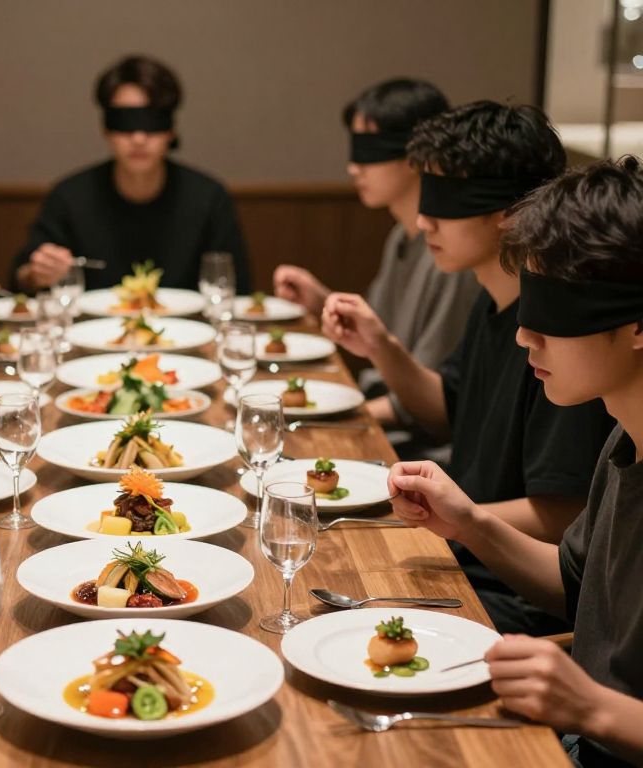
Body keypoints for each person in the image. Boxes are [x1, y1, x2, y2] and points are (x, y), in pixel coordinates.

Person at [321, 101, 614, 634]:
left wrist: (443, 519)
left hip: (505, 592)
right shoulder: (490, 300)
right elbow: (445, 411)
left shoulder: (567, 340)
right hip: (464, 559)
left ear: (512, 211)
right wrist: (382, 346)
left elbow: (561, 516)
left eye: (446, 200)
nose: (423, 218)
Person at [389, 157, 643, 767]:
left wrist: (592, 708)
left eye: (553, 311)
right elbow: (573, 585)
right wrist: (468, 523)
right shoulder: (623, 437)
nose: (525, 335)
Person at [273, 79, 479, 431]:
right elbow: (379, 335)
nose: (354, 167)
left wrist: (326, 419)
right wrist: (322, 300)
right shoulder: (401, 235)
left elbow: (434, 400)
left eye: (371, 150)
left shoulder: (451, 256)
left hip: (419, 444)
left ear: (419, 154)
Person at [11, 54, 249, 293]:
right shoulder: (70, 197)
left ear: (171, 130)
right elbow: (20, 279)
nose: (138, 138)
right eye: (125, 122)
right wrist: (36, 273)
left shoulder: (208, 198)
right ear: (105, 128)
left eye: (152, 121)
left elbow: (236, 287)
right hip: (88, 329)